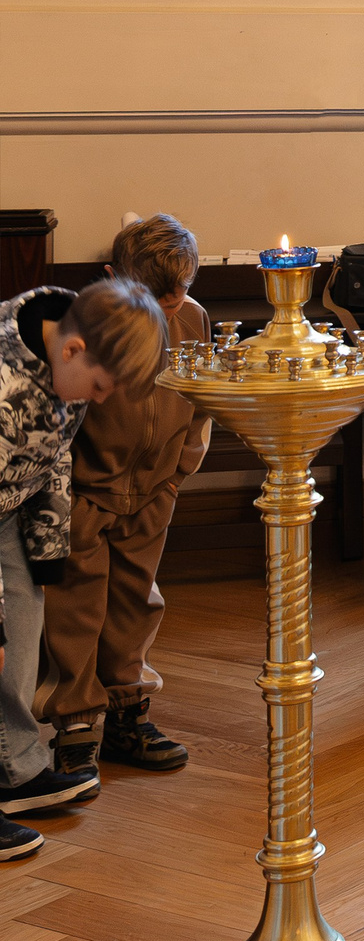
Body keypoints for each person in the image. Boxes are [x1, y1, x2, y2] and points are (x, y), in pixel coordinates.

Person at [43, 215, 211, 783]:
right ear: (114, 277)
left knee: (136, 603)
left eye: (181, 291)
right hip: (88, 495)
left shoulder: (193, 320)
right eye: (154, 294)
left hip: (153, 491)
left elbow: (201, 396)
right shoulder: (91, 327)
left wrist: (176, 473)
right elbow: (60, 419)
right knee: (77, 611)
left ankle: (125, 714)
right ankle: (74, 725)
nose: (169, 306)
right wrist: (67, 494)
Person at [0, 275, 166, 845]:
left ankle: (14, 769)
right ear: (72, 350)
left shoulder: (70, 354)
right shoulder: (3, 386)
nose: (97, 400)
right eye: (98, 387)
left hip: (7, 506)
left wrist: (48, 553)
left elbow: (52, 459)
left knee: (20, 638)